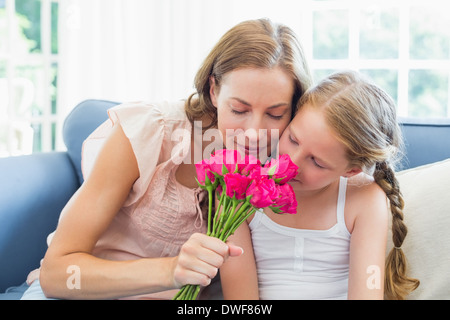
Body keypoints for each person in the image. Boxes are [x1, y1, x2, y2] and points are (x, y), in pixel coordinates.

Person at [20, 18, 312, 299]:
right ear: (213, 90)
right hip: (84, 290)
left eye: (275, 114)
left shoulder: (283, 162)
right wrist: (171, 270)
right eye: (238, 109)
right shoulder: (151, 132)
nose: (254, 134)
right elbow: (57, 273)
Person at [220, 70, 420, 300]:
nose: (291, 162)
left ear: (351, 170)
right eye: (293, 139)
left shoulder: (364, 198)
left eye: (316, 161)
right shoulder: (237, 189)